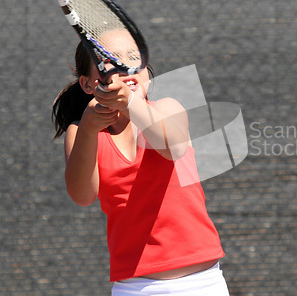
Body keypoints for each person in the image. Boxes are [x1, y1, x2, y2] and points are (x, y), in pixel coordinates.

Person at [52, 35, 230, 295]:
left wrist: (131, 103)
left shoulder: (168, 108)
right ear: (88, 84)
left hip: (202, 283)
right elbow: (82, 195)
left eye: (134, 58)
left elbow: (174, 148)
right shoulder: (80, 133)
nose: (126, 67)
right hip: (134, 288)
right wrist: (89, 128)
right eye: (110, 61)